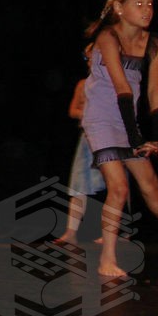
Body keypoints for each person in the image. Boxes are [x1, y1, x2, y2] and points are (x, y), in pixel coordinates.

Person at [80, 0, 158, 276]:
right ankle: (107, 260)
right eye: (139, 4)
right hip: (101, 118)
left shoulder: (153, 43)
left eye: (150, 4)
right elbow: (122, 89)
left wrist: (156, 137)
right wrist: (136, 139)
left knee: (150, 185)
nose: (147, 10)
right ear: (119, 8)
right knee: (119, 187)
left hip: (126, 120)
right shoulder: (108, 36)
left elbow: (154, 94)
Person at [53, 75, 106, 245]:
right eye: (89, 61)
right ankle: (71, 232)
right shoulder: (83, 83)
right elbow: (73, 110)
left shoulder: (112, 81)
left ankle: (115, 232)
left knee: (116, 186)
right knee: (79, 184)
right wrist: (89, 113)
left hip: (109, 137)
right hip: (88, 137)